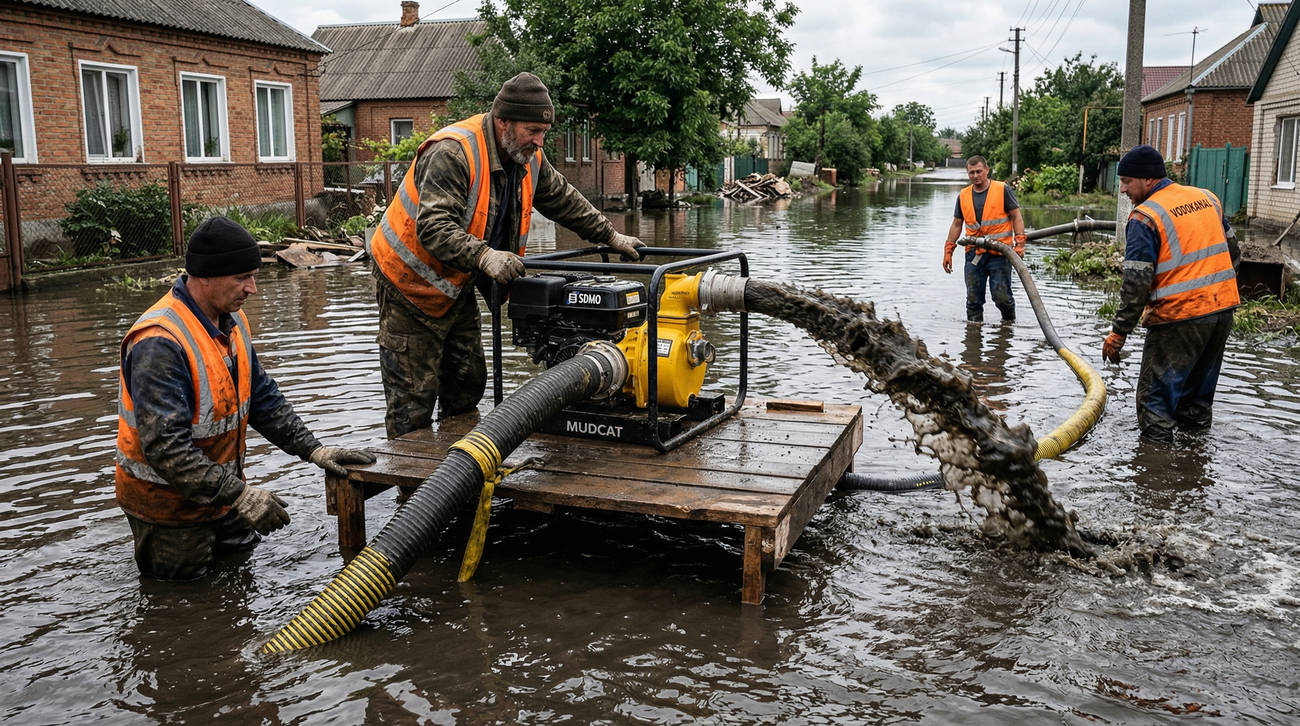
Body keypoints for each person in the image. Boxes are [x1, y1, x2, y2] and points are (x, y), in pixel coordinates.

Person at [368, 72, 646, 438]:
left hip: (454, 282)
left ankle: (458, 477)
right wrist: (486, 257)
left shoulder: (528, 155)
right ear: (503, 122)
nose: (539, 140)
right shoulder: (452, 152)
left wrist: (610, 235)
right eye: (532, 130)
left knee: (468, 383)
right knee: (412, 402)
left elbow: (562, 199)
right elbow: (434, 227)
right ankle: (413, 493)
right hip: (407, 284)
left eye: (544, 132)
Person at [115, 216, 375, 580]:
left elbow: (262, 398)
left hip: (221, 494)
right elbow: (166, 449)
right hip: (169, 512)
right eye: (241, 278)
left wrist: (314, 450)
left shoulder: (231, 322)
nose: (252, 289)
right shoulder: (160, 342)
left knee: (238, 581)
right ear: (204, 276)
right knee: (182, 608)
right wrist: (240, 495)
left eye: (253, 276)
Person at [1102, 144, 1240, 443]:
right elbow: (1234, 253)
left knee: (1155, 404)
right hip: (1222, 312)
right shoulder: (1207, 198)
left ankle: (1155, 474)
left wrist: (1118, 333)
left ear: (1148, 180)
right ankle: (1194, 466)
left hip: (1178, 317)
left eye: (1127, 182)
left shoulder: (1145, 217)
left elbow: (1136, 284)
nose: (1123, 190)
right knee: (1196, 403)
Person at [942, 155, 1028, 323]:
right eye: (971, 172)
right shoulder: (963, 195)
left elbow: (1016, 216)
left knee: (1002, 297)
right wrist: (948, 250)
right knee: (973, 301)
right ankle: (973, 338)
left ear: (987, 171)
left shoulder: (1002, 189)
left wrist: (1019, 244)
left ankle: (1008, 326)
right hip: (974, 255)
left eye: (979, 171)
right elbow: (957, 224)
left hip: (1000, 254)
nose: (975, 176)